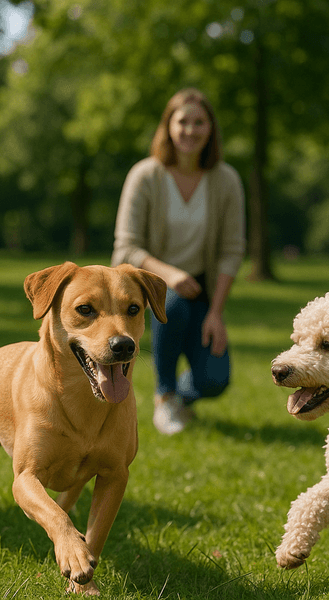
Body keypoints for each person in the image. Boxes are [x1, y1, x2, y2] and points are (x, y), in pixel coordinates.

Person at [112, 88, 246, 435]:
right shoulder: (145, 175)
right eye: (182, 121)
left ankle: (181, 396)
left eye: (199, 122)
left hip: (201, 290)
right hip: (150, 287)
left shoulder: (226, 180)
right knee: (172, 304)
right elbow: (126, 247)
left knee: (215, 380)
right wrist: (169, 275)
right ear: (168, 126)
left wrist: (216, 312)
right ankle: (165, 395)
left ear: (211, 129)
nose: (190, 130)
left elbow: (232, 250)